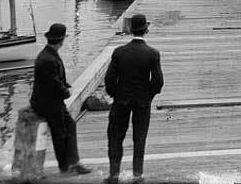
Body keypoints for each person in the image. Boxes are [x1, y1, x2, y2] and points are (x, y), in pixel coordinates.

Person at [105, 13, 164, 184]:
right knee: (139, 137)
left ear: (130, 30)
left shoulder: (119, 52)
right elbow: (158, 82)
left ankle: (114, 174)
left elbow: (109, 80)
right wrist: (148, 96)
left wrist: (116, 95)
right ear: (146, 30)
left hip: (121, 99)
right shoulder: (152, 54)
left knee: (115, 135)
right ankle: (137, 174)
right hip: (142, 101)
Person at [29, 23, 92, 176]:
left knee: (70, 125)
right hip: (47, 103)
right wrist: (67, 92)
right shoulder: (48, 59)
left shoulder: (48, 54)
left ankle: (73, 162)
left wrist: (66, 85)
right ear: (61, 40)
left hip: (52, 100)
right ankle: (65, 167)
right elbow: (54, 84)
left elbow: (56, 78)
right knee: (60, 133)